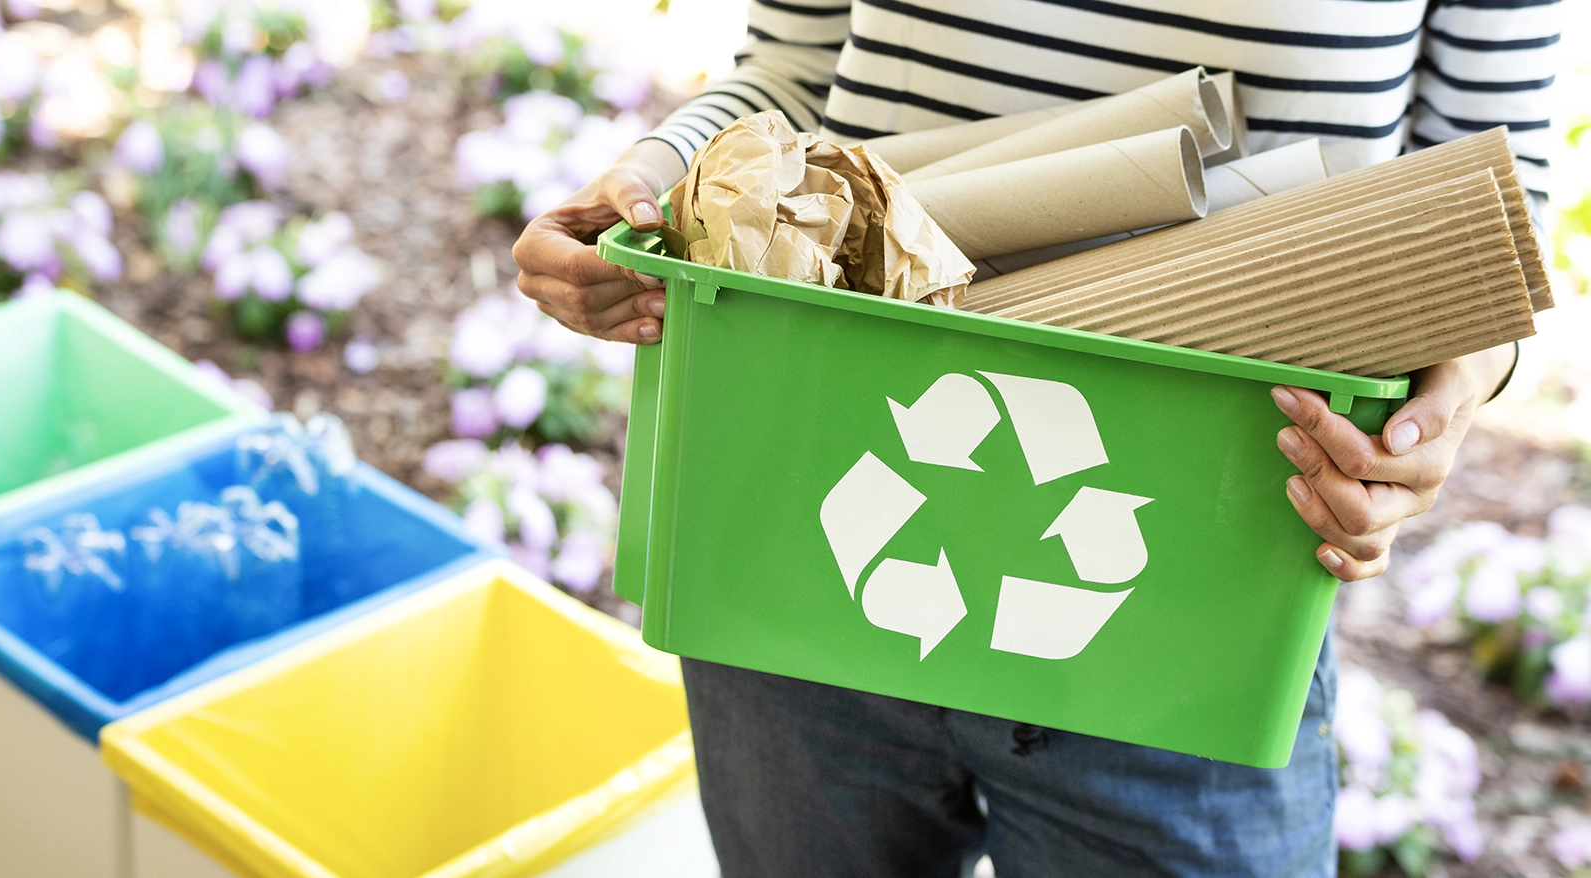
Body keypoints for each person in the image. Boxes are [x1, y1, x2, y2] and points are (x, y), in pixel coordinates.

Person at [511, 2, 1557, 875]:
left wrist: (1445, 403)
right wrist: (642, 186)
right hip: (808, 537)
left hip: (1197, 600)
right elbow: (792, 70)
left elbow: (1490, 199)